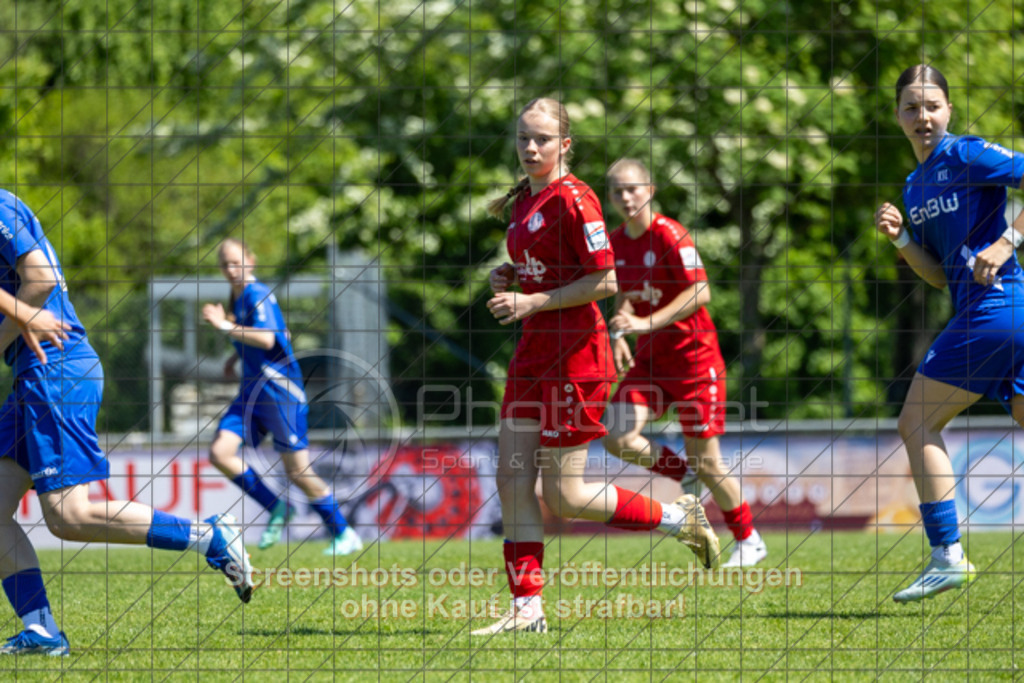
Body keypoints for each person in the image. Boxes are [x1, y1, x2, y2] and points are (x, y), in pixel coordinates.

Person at [472, 98, 720, 637]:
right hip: (533, 353)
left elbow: (605, 281)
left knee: (565, 496)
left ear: (565, 145)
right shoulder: (525, 200)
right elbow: (548, 268)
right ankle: (527, 608)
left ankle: (677, 517)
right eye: (522, 138)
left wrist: (534, 301)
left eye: (541, 139)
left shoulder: (578, 199)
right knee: (512, 478)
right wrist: (511, 276)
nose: (530, 148)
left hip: (575, 358)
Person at [0, 189, 255, 658]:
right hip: (32, 377)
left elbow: (41, 278)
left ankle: (210, 536)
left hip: (54, 369)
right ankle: (41, 631)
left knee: (69, 516)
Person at [875, 64, 1024, 602]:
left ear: (949, 110)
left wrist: (1007, 242)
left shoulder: (965, 153)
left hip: (999, 306)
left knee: (916, 421)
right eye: (912, 108)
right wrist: (900, 241)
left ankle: (947, 556)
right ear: (898, 116)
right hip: (995, 312)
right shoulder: (915, 188)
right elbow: (939, 275)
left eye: (932, 105)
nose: (923, 117)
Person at [602, 158, 767, 568]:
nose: (626, 197)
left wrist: (646, 322)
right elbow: (625, 293)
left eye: (633, 188)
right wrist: (619, 331)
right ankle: (683, 475)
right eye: (618, 191)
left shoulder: (671, 234)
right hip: (650, 362)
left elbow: (702, 291)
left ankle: (749, 538)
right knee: (617, 435)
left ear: (650, 189)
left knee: (709, 462)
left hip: (695, 363)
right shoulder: (616, 241)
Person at [202, 238, 362, 556]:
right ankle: (278, 507)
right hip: (251, 393)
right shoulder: (236, 297)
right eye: (225, 264)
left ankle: (343, 532)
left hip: (278, 393)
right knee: (221, 453)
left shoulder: (256, 293)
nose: (231, 269)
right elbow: (266, 336)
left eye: (236, 262)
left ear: (251, 260)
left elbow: (266, 337)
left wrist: (224, 326)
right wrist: (236, 357)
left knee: (298, 472)